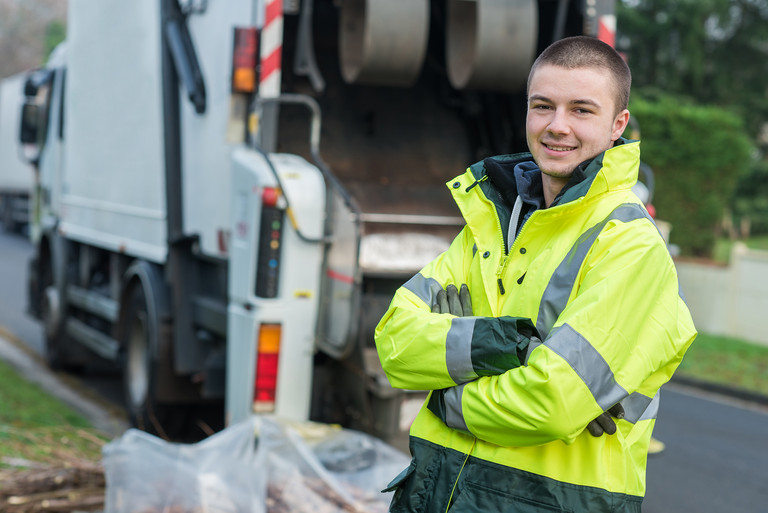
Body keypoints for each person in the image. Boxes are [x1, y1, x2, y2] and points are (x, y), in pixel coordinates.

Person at [374, 35, 696, 512]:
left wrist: (447, 397)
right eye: (542, 106)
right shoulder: (493, 223)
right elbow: (395, 343)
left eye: (581, 110)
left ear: (617, 125)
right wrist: (514, 346)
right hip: (435, 490)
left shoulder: (628, 243)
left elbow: (552, 403)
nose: (557, 126)